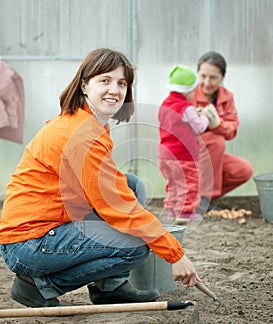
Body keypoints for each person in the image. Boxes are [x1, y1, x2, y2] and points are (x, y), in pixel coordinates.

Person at [0, 48, 199, 308]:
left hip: (46, 226)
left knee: (131, 184)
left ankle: (110, 287)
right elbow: (115, 206)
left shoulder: (89, 123)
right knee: (134, 247)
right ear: (84, 85)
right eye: (104, 81)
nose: (114, 90)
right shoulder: (81, 135)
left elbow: (115, 189)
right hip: (30, 242)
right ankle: (37, 287)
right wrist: (174, 254)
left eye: (121, 83)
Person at [191, 51, 254, 212]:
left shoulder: (227, 97)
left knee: (243, 170)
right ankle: (203, 198)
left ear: (222, 78)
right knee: (215, 140)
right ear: (197, 73)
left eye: (213, 78)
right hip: (186, 155)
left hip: (210, 156)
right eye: (203, 76)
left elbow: (231, 130)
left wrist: (216, 123)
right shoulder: (187, 94)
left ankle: (198, 198)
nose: (206, 82)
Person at [158, 65, 215, 224]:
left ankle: (171, 208)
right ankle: (185, 212)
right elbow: (199, 127)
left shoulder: (165, 104)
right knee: (188, 183)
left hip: (165, 155)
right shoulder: (186, 108)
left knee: (173, 183)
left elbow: (175, 123)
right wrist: (205, 118)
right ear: (187, 91)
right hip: (183, 155)